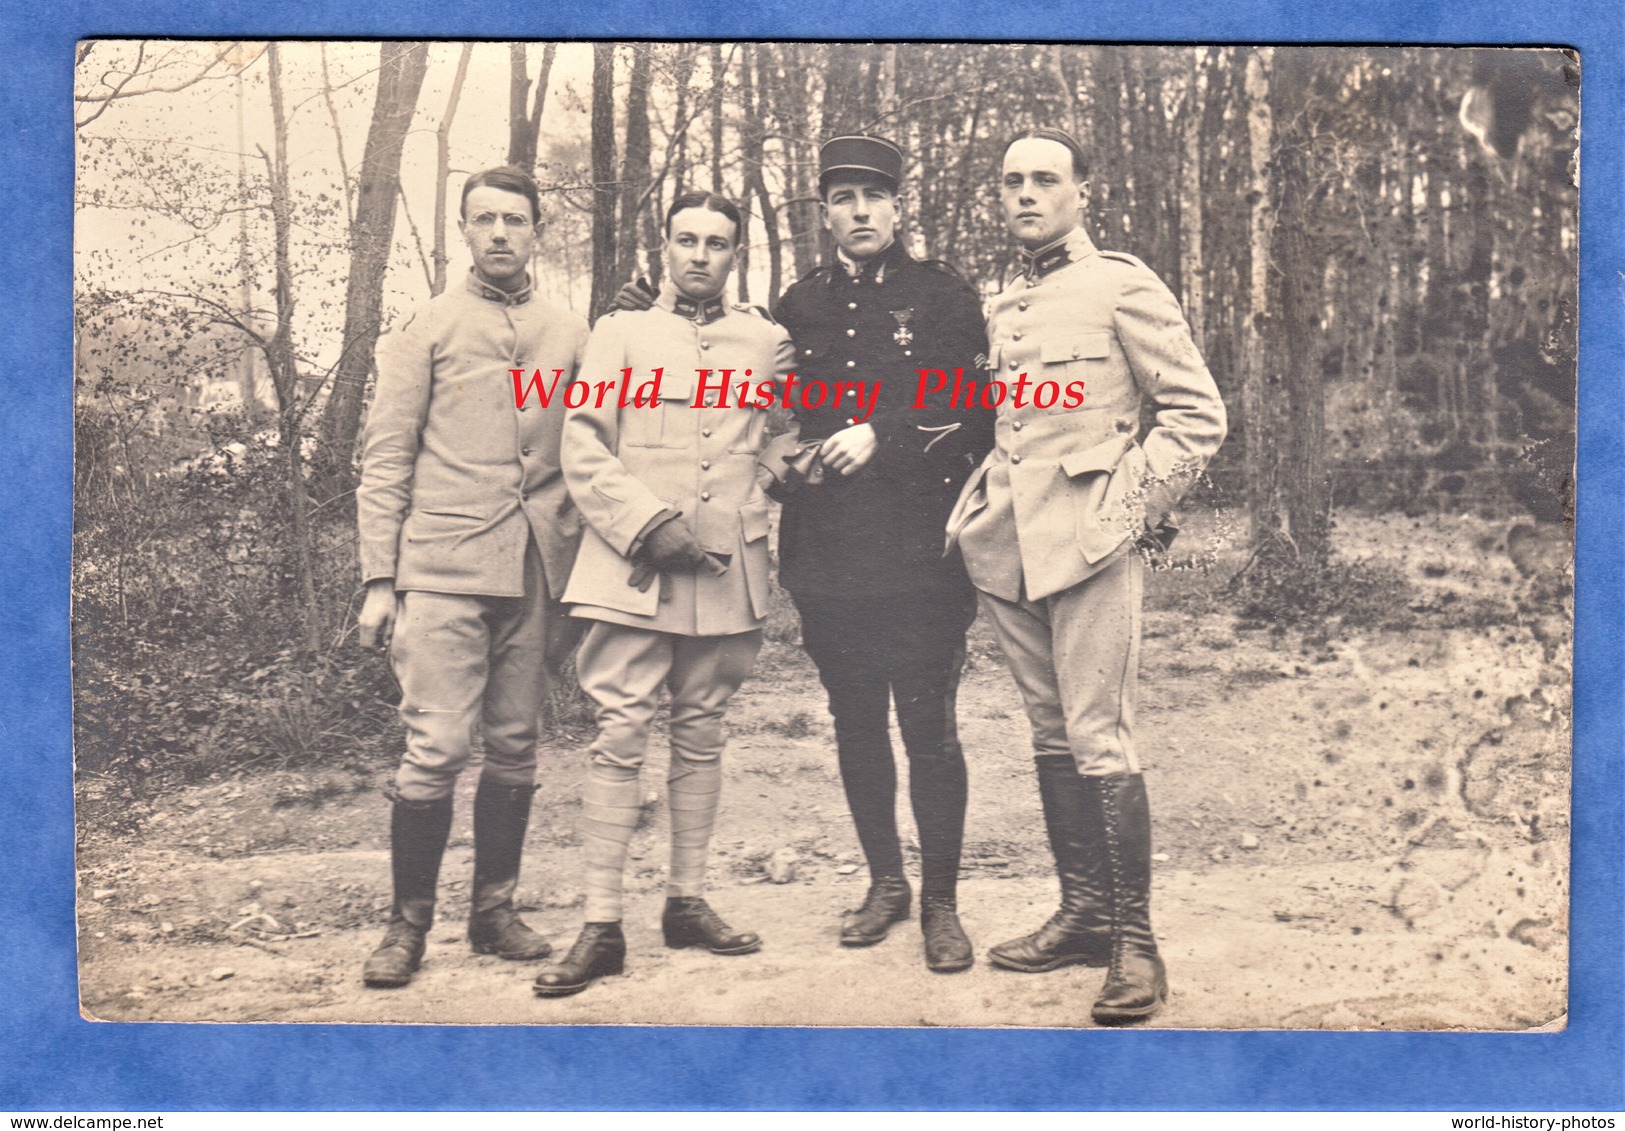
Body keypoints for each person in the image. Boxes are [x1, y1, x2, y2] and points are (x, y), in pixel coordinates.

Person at [945, 128, 1227, 1023]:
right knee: (1048, 729)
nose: (1025, 194)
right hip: (1009, 544)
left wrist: (1128, 510)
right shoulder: (1002, 303)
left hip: (1091, 541)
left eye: (1044, 179)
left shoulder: (1123, 283)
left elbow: (1195, 413)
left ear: (1082, 192)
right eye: (1010, 181)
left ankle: (1136, 946)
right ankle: (1082, 914)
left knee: (1100, 734)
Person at [532, 192, 796, 998]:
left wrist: (766, 493)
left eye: (717, 242)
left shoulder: (767, 340)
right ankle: (600, 922)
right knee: (618, 732)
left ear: (735, 253)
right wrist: (646, 523)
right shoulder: (618, 335)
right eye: (686, 239)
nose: (699, 254)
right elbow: (581, 444)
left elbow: (782, 434)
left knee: (703, 729)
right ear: (664, 245)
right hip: (632, 566)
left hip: (725, 568)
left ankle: (686, 901)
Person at [355, 166, 589, 988]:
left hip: (537, 568)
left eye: (514, 220)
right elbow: (385, 456)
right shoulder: (425, 327)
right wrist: (380, 578)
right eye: (484, 219)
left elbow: (589, 446)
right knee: (436, 746)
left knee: (517, 745)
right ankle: (406, 925)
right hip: (444, 568)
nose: (499, 233)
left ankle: (493, 910)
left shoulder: (571, 331)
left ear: (537, 232)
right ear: (464, 229)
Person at [771, 135, 992, 972]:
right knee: (854, 720)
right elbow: (772, 411)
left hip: (919, 552)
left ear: (899, 206)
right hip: (827, 553)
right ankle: (885, 882)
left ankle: (941, 901)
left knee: (927, 729)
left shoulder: (941, 297)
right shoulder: (798, 303)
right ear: (823, 210)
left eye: (873, 197)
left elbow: (973, 413)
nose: (859, 212)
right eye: (842, 198)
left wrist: (883, 435)